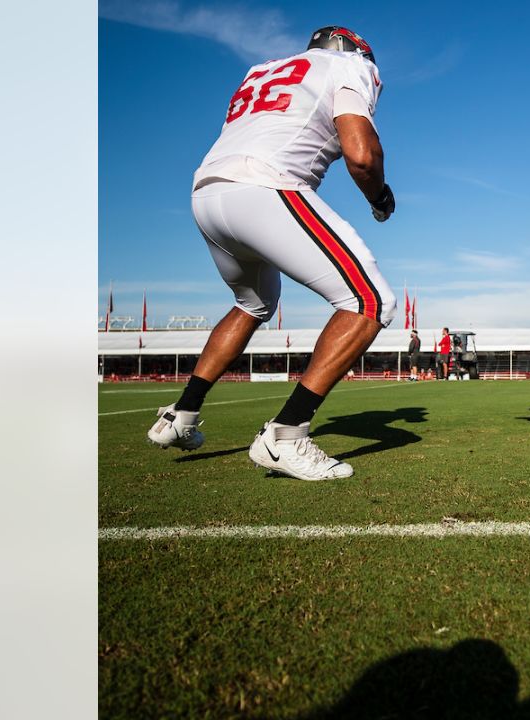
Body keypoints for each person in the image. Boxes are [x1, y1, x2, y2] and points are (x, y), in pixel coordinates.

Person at [146, 26, 397, 481]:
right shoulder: (350, 65)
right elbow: (360, 154)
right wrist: (380, 198)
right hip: (265, 186)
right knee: (369, 301)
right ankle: (286, 434)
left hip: (207, 192)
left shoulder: (261, 70)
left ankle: (181, 416)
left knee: (252, 303)